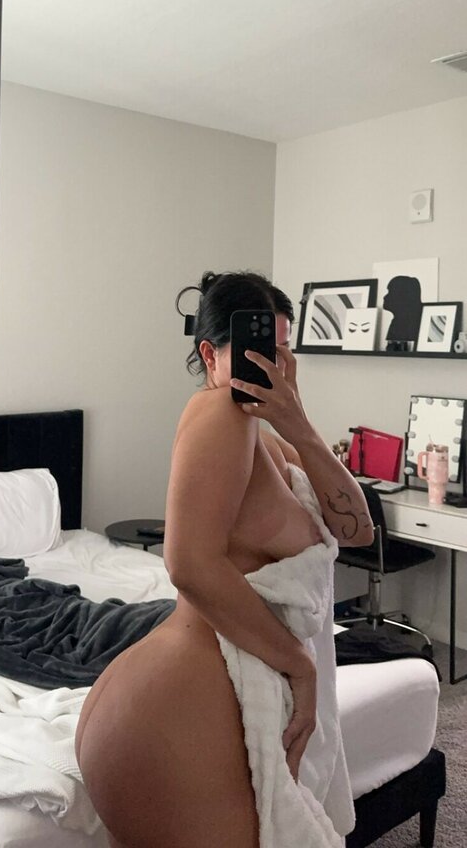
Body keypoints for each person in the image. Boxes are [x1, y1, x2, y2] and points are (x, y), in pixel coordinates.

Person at [75, 270, 374, 848]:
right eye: (258, 351)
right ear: (210, 355)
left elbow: (356, 531)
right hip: (178, 710)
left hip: (182, 708)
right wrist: (299, 666)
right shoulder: (220, 414)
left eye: (281, 351)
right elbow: (188, 563)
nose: (273, 366)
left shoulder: (273, 439)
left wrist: (300, 425)